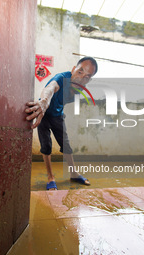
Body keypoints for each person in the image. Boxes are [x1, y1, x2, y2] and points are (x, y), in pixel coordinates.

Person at [25, 57, 98, 190]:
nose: (81, 78)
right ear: (73, 70)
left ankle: (74, 173)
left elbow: (62, 101)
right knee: (46, 146)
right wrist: (45, 101)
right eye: (80, 72)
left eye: (86, 77)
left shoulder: (79, 90)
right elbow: (51, 87)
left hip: (57, 116)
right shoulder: (61, 78)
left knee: (66, 146)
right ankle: (50, 177)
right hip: (44, 113)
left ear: (89, 80)